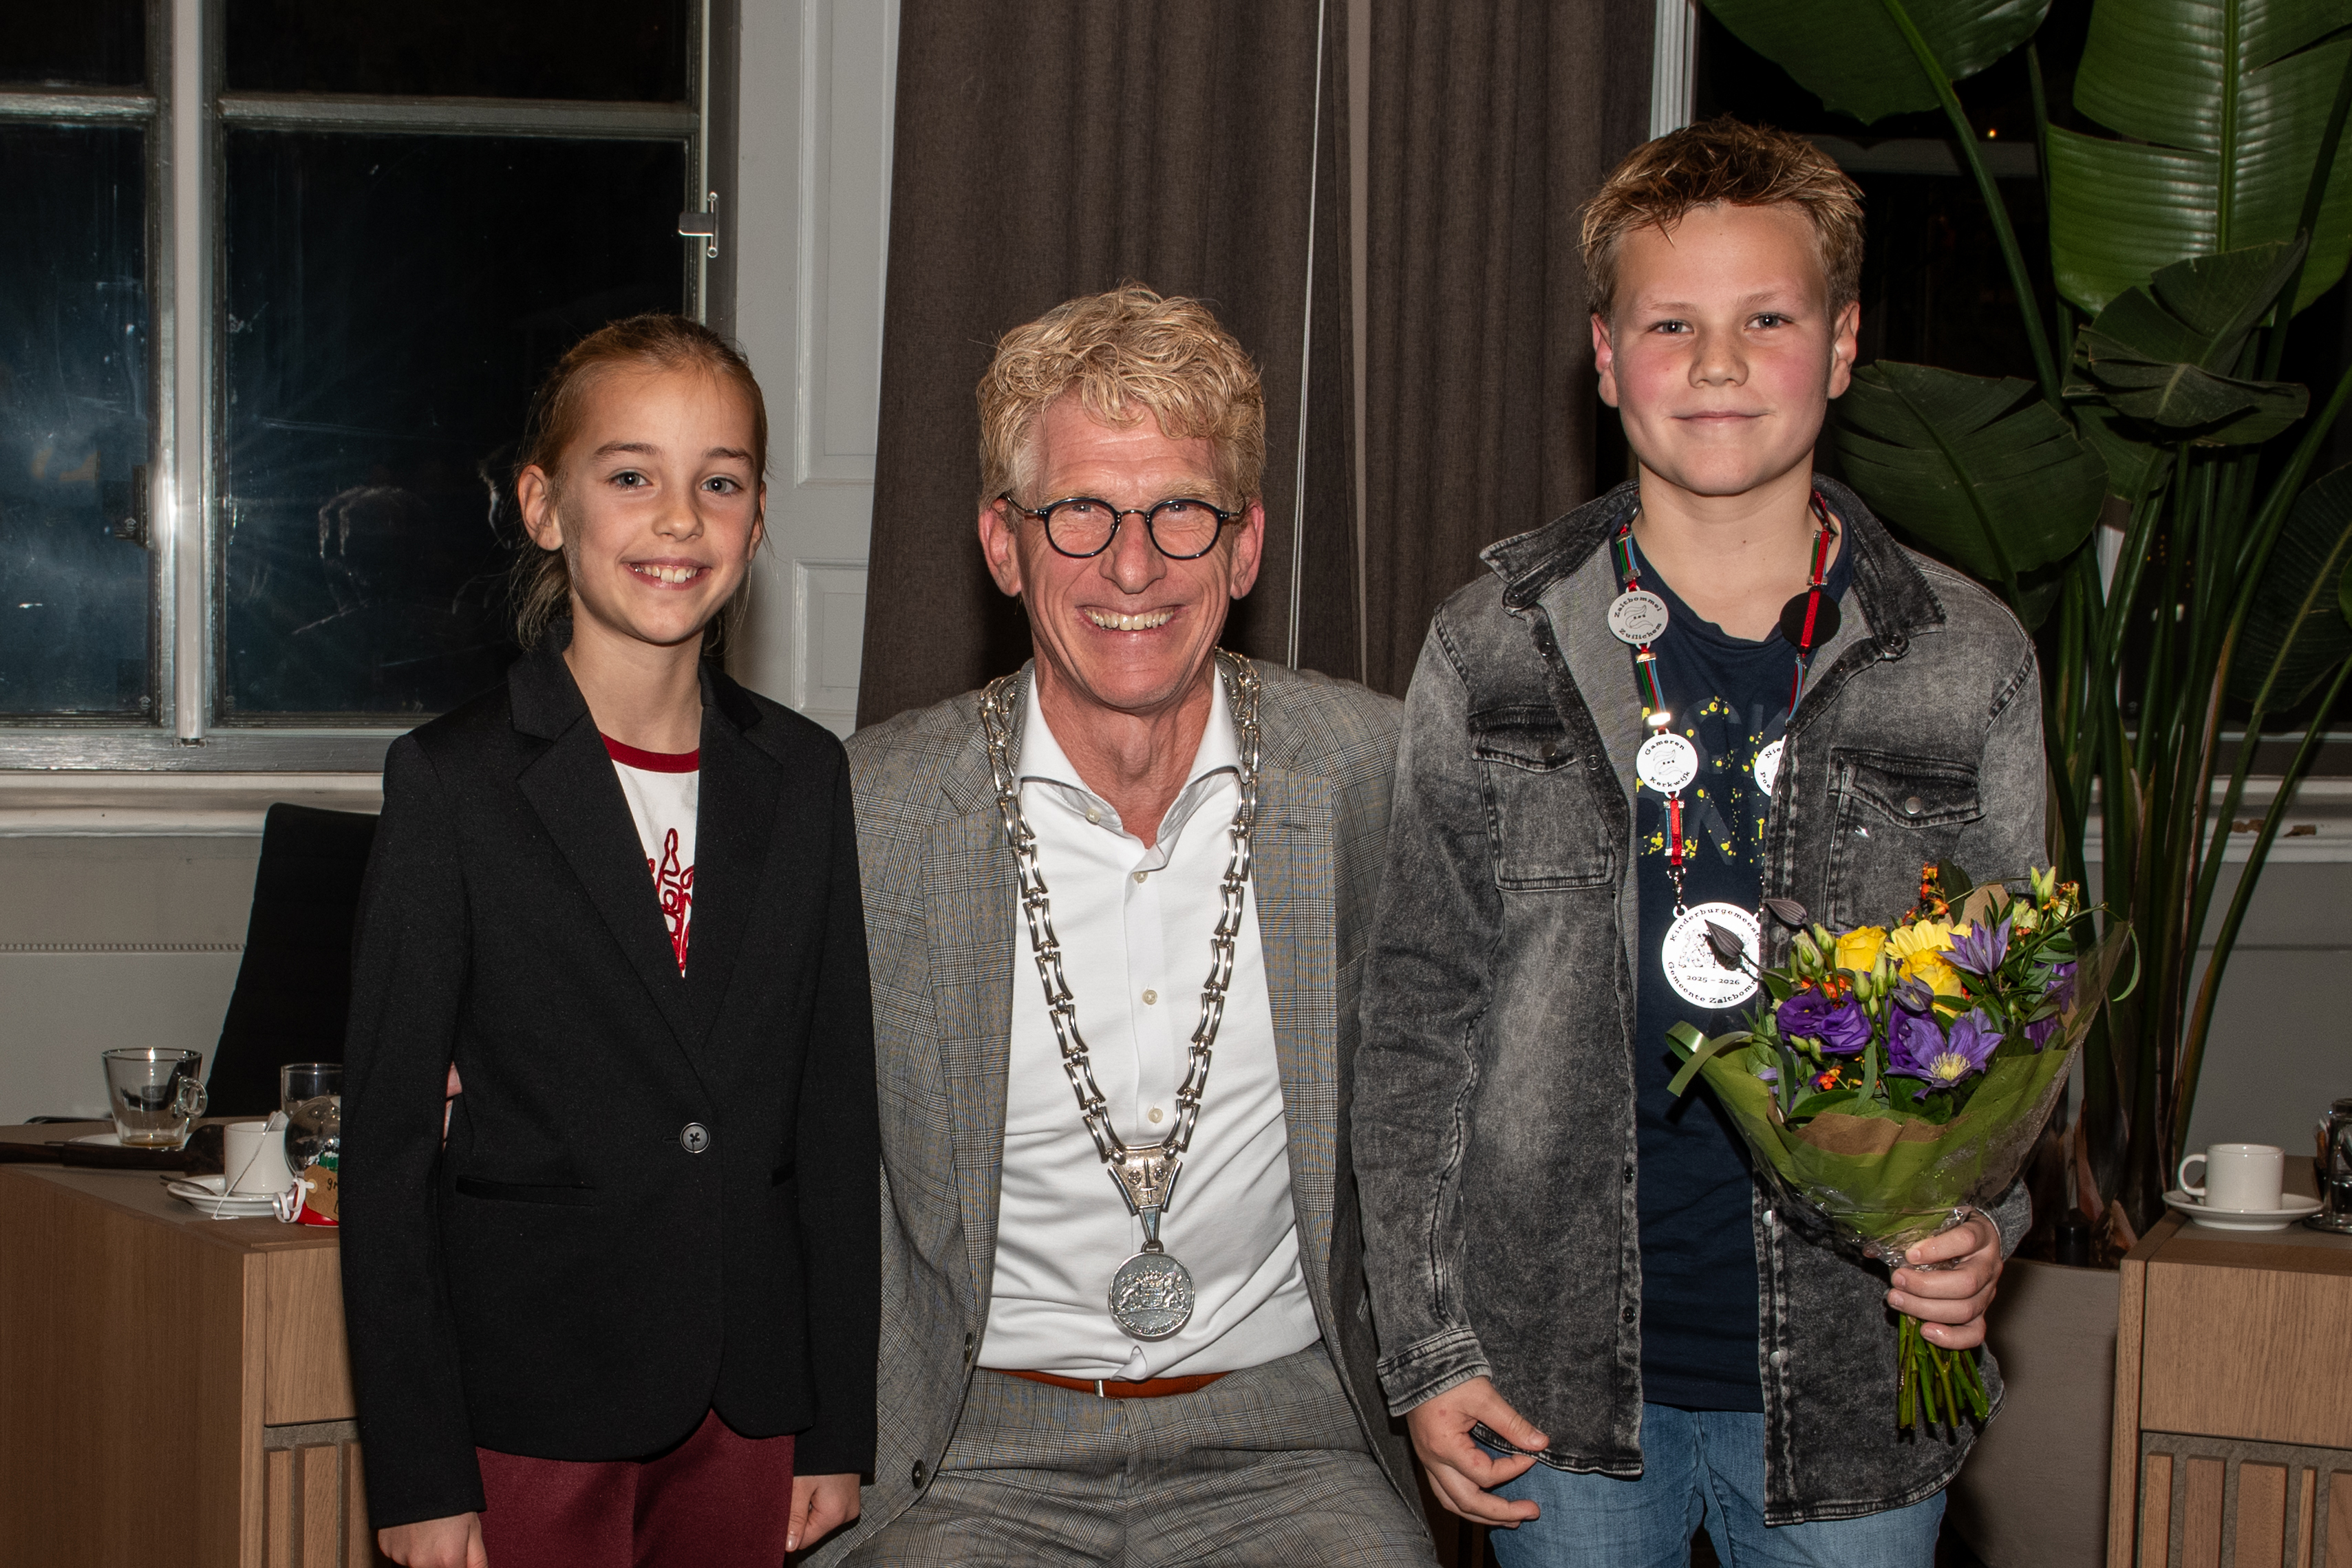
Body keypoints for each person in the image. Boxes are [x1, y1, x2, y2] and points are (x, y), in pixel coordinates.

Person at [1353, 119, 2044, 1567]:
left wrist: (1985, 1226)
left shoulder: (1964, 656)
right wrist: (1428, 1346)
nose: (1716, 364)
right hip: (1552, 1390)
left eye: (1765, 321)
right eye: (1669, 324)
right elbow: (1415, 1021)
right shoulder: (1491, 648)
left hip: (1857, 1388)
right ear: (1605, 359)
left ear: (1839, 347)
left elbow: (2022, 1011)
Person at [817, 285, 1433, 1567]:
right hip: (969, 1447)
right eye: (1079, 512)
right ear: (1004, 544)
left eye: (1181, 513)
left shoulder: (1372, 772)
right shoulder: (871, 811)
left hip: (1289, 1437)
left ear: (1244, 547)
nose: (1133, 566)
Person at [339, 314, 879, 1568]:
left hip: (748, 1403)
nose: (678, 518)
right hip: (530, 1401)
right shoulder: (452, 783)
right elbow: (387, 1154)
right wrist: (417, 1471)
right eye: (631, 475)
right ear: (545, 505)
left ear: (756, 518)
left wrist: (835, 1421)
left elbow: (833, 1119)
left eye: (720, 483)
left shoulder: (805, 777)